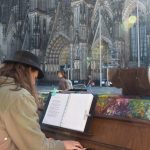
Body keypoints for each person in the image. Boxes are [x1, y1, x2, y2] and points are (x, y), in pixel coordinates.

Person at [0, 51, 84, 150]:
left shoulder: (4, 90)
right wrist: (62, 145)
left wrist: (47, 142)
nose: (34, 82)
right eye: (35, 77)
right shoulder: (19, 97)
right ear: (28, 71)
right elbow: (36, 147)